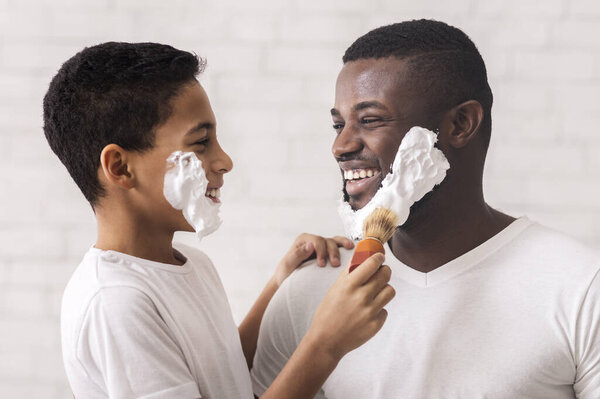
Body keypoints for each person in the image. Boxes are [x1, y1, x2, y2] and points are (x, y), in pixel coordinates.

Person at [251, 19, 600, 398]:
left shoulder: (579, 286)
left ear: (461, 124)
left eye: (369, 120)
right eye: (339, 125)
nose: (341, 146)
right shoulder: (310, 291)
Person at [43, 42, 396, 399]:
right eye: (200, 143)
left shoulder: (191, 264)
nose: (224, 160)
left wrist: (278, 284)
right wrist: (326, 344)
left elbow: (222, 377)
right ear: (120, 167)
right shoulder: (116, 303)